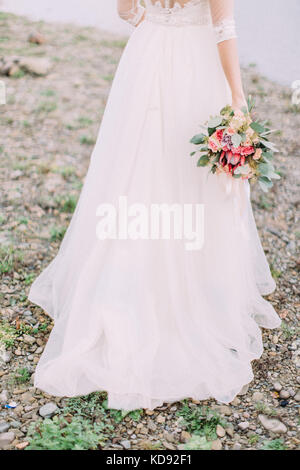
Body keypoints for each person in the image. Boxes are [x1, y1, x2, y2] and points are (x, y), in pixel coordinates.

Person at [29, 0, 281, 411]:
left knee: (136, 166)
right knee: (187, 172)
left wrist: (160, 23)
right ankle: (196, 280)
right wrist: (237, 95)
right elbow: (223, 27)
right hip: (194, 64)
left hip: (146, 58)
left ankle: (124, 274)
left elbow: (125, 9)